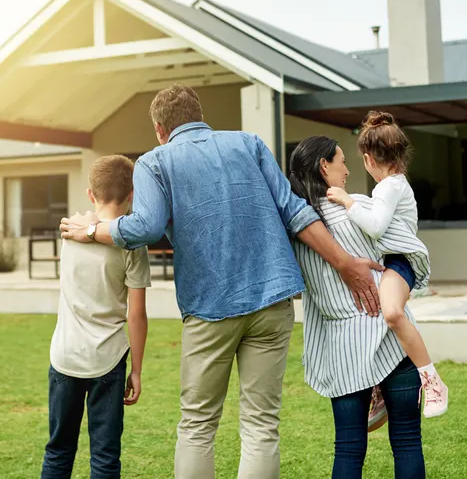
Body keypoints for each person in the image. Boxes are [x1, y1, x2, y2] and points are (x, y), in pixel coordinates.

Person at [60, 84, 383, 479]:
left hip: (210, 308)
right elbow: (295, 213)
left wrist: (90, 232)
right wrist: (345, 263)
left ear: (160, 129)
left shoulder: (155, 162)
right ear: (200, 115)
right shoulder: (249, 143)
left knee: (198, 425)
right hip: (272, 299)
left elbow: (144, 227)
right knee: (261, 425)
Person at [289, 136, 428, 479]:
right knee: (407, 441)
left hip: (342, 350)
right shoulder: (359, 211)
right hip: (391, 340)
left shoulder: (297, 228)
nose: (348, 170)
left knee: (348, 447)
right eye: (341, 162)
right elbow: (410, 248)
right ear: (324, 166)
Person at [325, 111, 448, 424]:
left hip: (400, 262)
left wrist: (346, 201)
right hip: (391, 263)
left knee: (392, 313)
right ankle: (381, 388)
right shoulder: (393, 186)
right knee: (377, 319)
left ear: (367, 158)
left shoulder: (389, 187)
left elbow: (377, 227)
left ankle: (432, 383)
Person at [41, 155, 151, 479]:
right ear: (132, 194)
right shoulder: (133, 247)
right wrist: (138, 371)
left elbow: (92, 226)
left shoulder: (69, 230)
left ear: (90, 194)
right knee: (105, 458)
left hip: (65, 358)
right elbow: (137, 314)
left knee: (58, 451)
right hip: (108, 360)